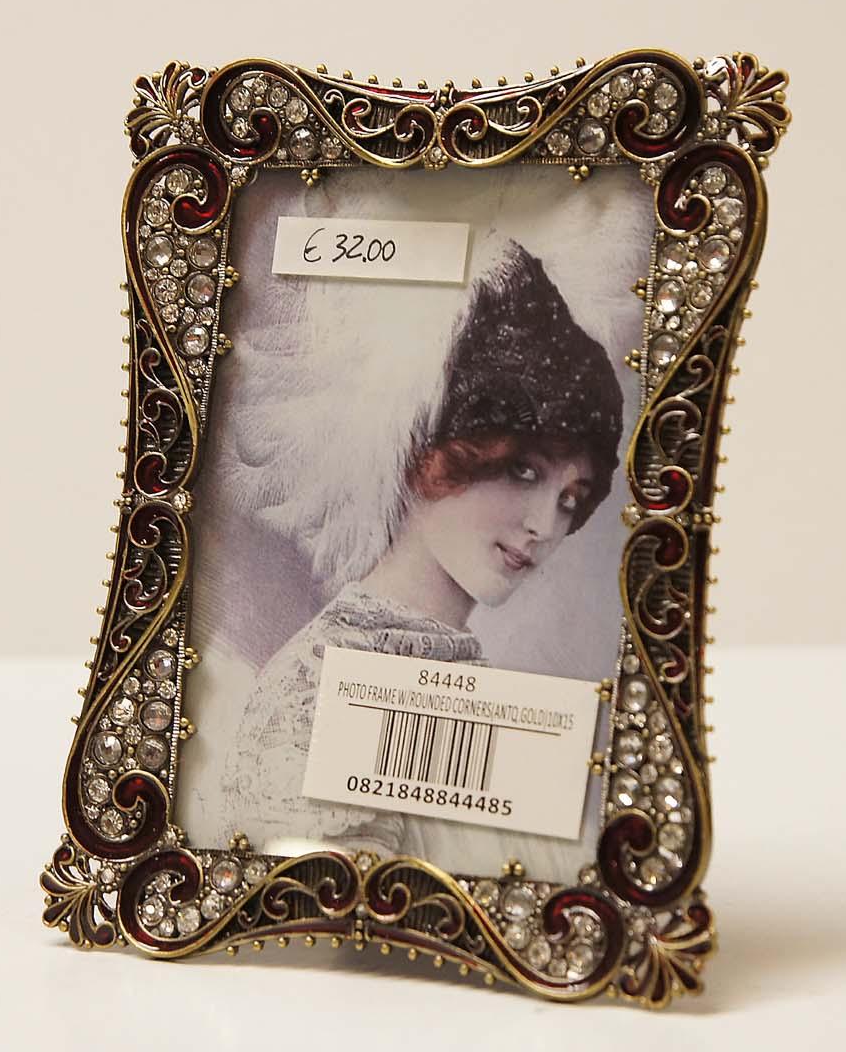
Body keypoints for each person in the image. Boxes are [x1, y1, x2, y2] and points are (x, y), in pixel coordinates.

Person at [222, 238, 625, 873]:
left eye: (571, 499)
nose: (546, 526)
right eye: (523, 471)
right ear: (434, 451)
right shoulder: (315, 690)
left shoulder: (460, 676)